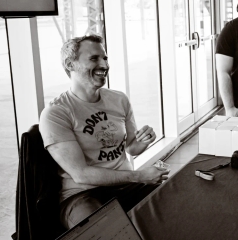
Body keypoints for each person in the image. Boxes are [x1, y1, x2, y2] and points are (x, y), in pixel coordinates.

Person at [40, 34, 169, 229]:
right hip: (82, 194)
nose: (104, 65)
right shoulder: (56, 113)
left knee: (171, 208)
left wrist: (142, 142)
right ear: (70, 64)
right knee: (104, 232)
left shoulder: (119, 100)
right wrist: (140, 176)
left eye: (105, 58)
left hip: (125, 185)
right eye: (94, 58)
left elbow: (131, 148)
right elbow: (81, 174)